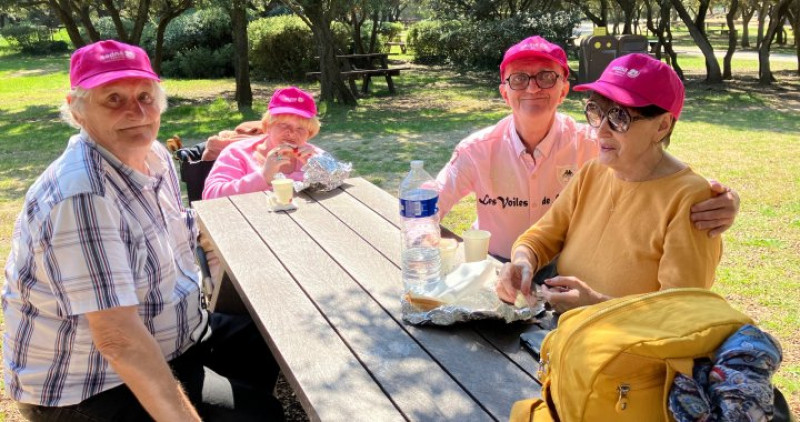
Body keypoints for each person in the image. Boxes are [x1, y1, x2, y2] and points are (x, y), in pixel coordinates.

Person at [2, 40, 283, 421]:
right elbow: (119, 341)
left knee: (264, 339)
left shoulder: (155, 157)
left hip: (174, 337)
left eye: (145, 97)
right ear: (77, 110)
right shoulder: (84, 195)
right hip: (90, 384)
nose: (136, 111)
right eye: (113, 99)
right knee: (260, 416)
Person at [435, 36, 739, 261]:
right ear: (504, 92)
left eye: (546, 76)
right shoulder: (476, 150)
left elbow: (653, 165)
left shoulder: (595, 142)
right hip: (496, 264)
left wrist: (721, 199)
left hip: (566, 269)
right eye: (518, 79)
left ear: (564, 89)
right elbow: (425, 207)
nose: (532, 87)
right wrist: (461, 256)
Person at [496, 53, 722, 314]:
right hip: (565, 334)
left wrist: (597, 305)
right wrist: (523, 262)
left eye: (619, 118)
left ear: (661, 126)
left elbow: (682, 312)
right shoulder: (594, 172)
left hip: (629, 351)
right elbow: (541, 236)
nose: (601, 129)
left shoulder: (692, 201)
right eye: (596, 112)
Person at [202, 86, 323, 200]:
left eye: (301, 128)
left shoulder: (313, 156)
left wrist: (319, 171)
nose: (291, 133)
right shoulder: (237, 153)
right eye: (283, 124)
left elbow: (339, 184)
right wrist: (263, 176)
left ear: (310, 133)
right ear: (268, 126)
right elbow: (211, 196)